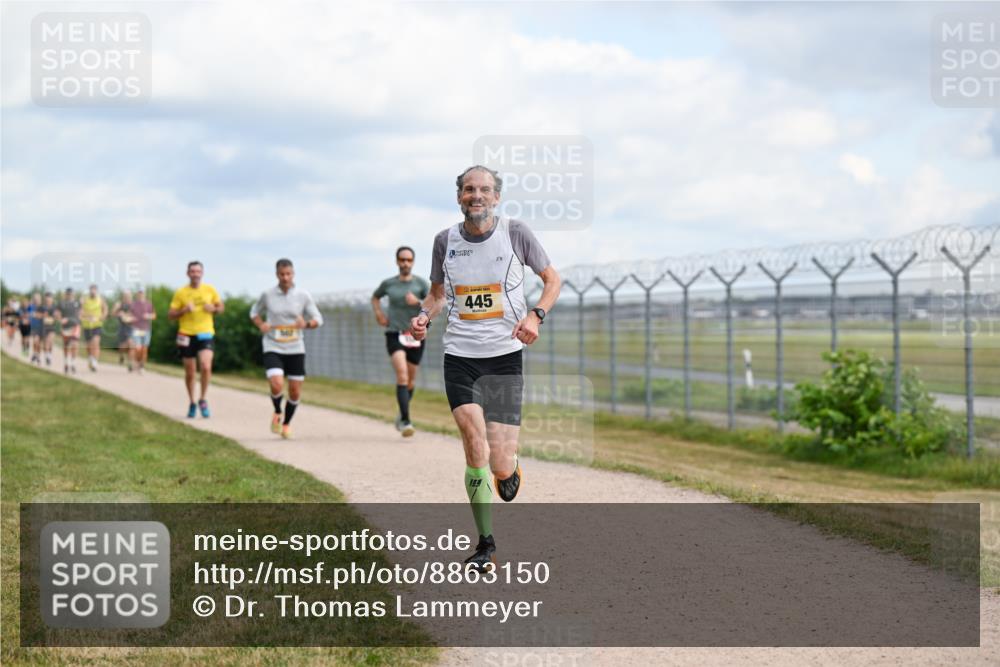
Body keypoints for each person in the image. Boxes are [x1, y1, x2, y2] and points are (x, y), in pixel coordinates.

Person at [410, 165, 561, 572]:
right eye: (469, 189)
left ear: (496, 197)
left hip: (505, 357)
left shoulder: (516, 233)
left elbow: (552, 279)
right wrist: (424, 316)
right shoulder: (445, 241)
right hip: (459, 356)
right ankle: (485, 544)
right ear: (459, 196)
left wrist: (536, 316)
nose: (476, 195)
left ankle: (508, 468)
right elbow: (438, 294)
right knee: (472, 442)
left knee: (499, 461)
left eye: (485, 190)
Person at [250, 259, 323, 439]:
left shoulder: (303, 295)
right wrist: (261, 324)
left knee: (295, 390)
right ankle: (277, 411)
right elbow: (254, 313)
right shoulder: (267, 295)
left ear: (293, 274)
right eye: (282, 274)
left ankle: (286, 423)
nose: (285, 277)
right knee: (276, 383)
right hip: (273, 344)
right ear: (277, 274)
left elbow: (318, 319)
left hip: (295, 347)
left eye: (288, 274)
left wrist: (305, 323)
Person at [372, 246, 430, 437]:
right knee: (402, 376)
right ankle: (406, 421)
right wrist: (379, 314)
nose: (405, 263)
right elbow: (375, 297)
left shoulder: (421, 284)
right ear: (397, 262)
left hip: (415, 335)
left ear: (412, 262)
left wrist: (418, 303)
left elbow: (433, 305)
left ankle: (402, 413)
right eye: (402, 260)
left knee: (411, 381)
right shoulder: (388, 284)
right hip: (394, 333)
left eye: (408, 260)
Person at [168, 261, 224, 418]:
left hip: (205, 333)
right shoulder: (181, 293)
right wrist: (184, 310)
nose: (195, 274)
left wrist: (214, 308)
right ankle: (192, 401)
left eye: (198, 271)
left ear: (202, 273)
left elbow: (221, 307)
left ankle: (203, 399)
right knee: (190, 372)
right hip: (185, 334)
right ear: (188, 273)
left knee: (206, 366)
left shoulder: (210, 290)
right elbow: (170, 315)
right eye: (192, 271)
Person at [80, 284, 108, 371]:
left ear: (96, 291)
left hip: (97, 324)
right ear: (89, 291)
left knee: (96, 342)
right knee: (88, 345)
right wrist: (87, 316)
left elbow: (105, 309)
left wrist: (102, 316)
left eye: (94, 290)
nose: (93, 292)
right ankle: (90, 357)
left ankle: (95, 362)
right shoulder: (84, 299)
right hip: (87, 325)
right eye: (91, 290)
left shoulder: (100, 299)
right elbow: (80, 311)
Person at [129, 288, 156, 374]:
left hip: (146, 329)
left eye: (142, 293)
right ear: (137, 294)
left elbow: (154, 315)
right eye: (139, 293)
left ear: (144, 294)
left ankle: (141, 366)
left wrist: (148, 316)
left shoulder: (149, 304)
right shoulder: (133, 304)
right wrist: (129, 318)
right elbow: (129, 315)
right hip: (136, 328)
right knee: (138, 348)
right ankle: (136, 362)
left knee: (144, 349)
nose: (141, 295)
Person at [57, 287, 82, 374]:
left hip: (75, 326)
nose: (69, 295)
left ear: (73, 294)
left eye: (71, 293)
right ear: (66, 294)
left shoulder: (78, 303)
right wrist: (60, 319)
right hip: (65, 327)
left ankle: (73, 363)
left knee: (74, 344)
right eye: (68, 294)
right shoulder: (61, 303)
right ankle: (66, 361)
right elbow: (58, 314)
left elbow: (81, 313)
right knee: (66, 345)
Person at [111, 289, 135, 370]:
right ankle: (121, 355)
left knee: (131, 344)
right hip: (122, 328)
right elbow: (112, 314)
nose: (127, 298)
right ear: (123, 297)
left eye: (129, 296)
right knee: (122, 347)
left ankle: (130, 363)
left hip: (131, 328)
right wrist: (117, 311)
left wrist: (130, 317)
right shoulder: (120, 304)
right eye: (126, 296)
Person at [39, 292, 58, 367]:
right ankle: (47, 356)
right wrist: (43, 315)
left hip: (52, 327)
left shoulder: (54, 307)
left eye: (49, 298)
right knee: (45, 343)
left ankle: (49, 355)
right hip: (44, 327)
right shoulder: (42, 307)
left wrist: (55, 316)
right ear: (45, 299)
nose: (48, 300)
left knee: (50, 341)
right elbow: (37, 315)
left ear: (52, 299)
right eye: (47, 299)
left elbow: (57, 317)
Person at [28, 292, 43, 364]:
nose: (36, 300)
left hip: (41, 327)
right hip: (34, 327)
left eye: (38, 298)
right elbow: (30, 314)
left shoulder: (42, 307)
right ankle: (35, 354)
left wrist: (37, 315)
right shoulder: (31, 306)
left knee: (39, 343)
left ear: (40, 299)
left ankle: (37, 355)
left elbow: (43, 316)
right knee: (35, 341)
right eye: (35, 298)